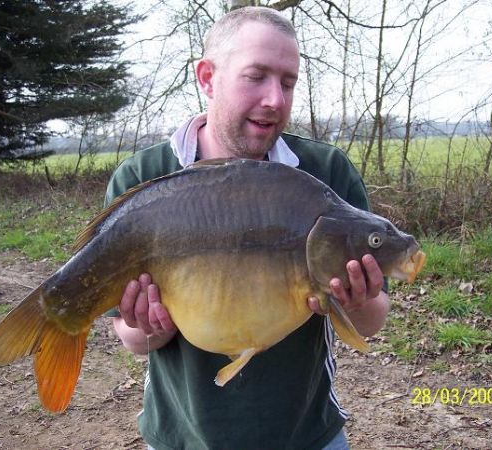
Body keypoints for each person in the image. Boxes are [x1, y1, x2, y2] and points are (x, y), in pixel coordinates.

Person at [105, 6, 390, 450]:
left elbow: (372, 322)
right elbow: (133, 340)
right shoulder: (143, 179)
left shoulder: (325, 173)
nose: (275, 99)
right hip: (184, 436)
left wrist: (355, 299)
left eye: (288, 82)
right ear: (207, 77)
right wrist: (150, 326)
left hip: (305, 435)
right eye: (256, 76)